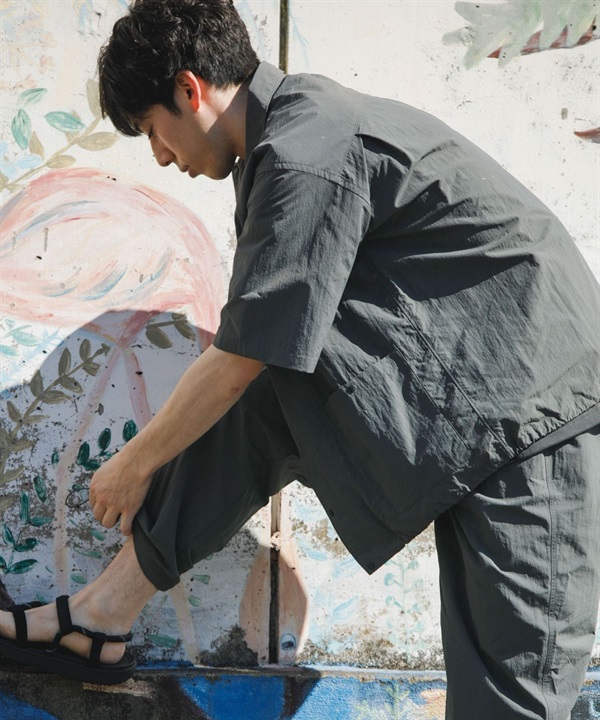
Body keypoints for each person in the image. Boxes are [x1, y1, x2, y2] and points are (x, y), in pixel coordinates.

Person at [1, 0, 598, 716]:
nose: (159, 156)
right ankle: (102, 614)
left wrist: (133, 464)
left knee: (513, 700)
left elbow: (239, 356)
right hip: (485, 417)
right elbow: (259, 355)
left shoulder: (307, 149)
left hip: (538, 420)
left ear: (190, 90)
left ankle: (101, 613)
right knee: (265, 403)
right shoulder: (287, 142)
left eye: (152, 131)